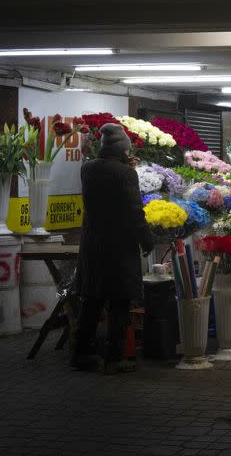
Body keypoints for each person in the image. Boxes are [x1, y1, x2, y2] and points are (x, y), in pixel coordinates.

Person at [73, 124, 154, 373]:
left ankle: (81, 354)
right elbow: (134, 211)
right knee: (119, 302)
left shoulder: (87, 169)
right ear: (122, 148)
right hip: (119, 246)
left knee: (92, 300)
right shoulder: (126, 173)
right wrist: (147, 240)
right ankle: (114, 357)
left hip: (92, 244)